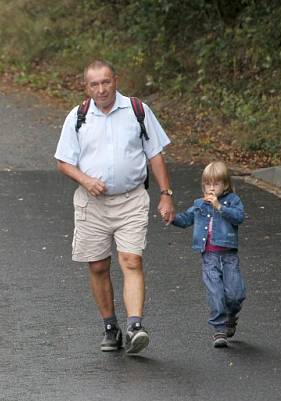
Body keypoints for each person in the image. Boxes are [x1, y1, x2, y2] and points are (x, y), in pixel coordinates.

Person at [54, 59, 175, 355]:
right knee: (97, 266)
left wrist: (166, 193)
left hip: (132, 199)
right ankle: (111, 326)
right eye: (94, 84)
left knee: (131, 260)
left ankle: (135, 326)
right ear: (86, 87)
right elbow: (63, 161)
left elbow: (155, 153)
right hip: (91, 203)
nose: (101, 89)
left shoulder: (137, 110)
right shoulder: (78, 117)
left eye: (106, 82)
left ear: (115, 80)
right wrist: (85, 179)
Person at [170, 161, 246, 348]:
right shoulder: (199, 204)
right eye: (207, 184)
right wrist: (171, 218)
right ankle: (219, 329)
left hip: (228, 256)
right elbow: (186, 219)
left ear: (225, 185)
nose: (211, 188)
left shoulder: (232, 201)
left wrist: (219, 206)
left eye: (216, 184)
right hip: (209, 256)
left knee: (235, 294)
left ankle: (231, 316)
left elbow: (239, 217)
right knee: (216, 293)